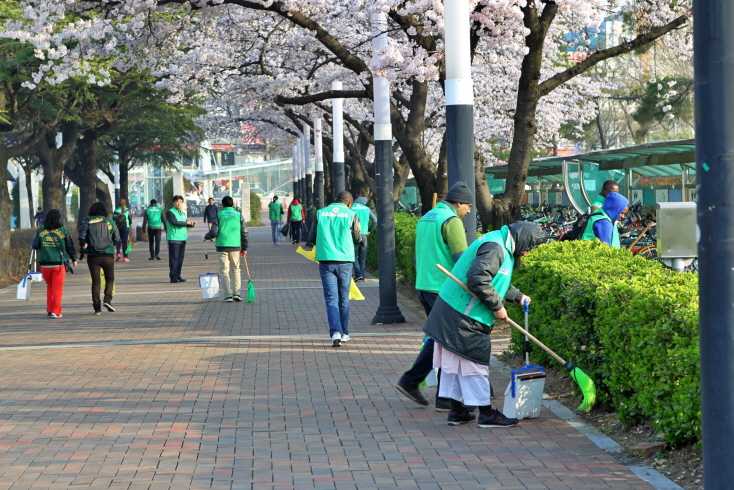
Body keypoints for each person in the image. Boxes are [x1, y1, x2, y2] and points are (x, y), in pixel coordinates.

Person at [423, 221, 544, 428]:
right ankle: (487, 415)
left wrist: (518, 296)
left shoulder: (501, 242)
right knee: (474, 365)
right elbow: (478, 279)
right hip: (461, 315)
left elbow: (496, 279)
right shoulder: (495, 246)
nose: (526, 253)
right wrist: (497, 307)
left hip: (456, 311)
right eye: (529, 247)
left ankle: (457, 410)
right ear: (523, 239)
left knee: (456, 364)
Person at [395, 181, 473, 411]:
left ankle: (444, 396)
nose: (468, 211)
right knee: (444, 340)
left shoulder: (427, 217)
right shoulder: (452, 221)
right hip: (443, 289)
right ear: (458, 203)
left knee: (441, 340)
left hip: (424, 284)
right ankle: (412, 381)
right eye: (467, 206)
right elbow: (462, 258)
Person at [306, 191, 362, 347]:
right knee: (343, 298)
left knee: (331, 299)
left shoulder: (321, 213)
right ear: (349, 203)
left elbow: (311, 237)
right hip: (345, 261)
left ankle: (335, 332)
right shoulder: (351, 214)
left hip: (325, 261)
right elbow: (358, 238)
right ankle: (344, 333)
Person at [31, 209, 77, 319]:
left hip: (45, 263)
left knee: (50, 287)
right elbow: (69, 246)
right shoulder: (64, 230)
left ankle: (50, 309)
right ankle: (56, 311)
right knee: (57, 288)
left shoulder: (40, 231)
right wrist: (74, 259)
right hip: (58, 264)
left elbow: (35, 245)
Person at [204, 196, 249, 302]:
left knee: (224, 270)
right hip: (235, 246)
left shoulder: (219, 215)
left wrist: (206, 237)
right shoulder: (238, 215)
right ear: (233, 205)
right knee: (236, 269)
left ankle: (228, 295)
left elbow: (214, 232)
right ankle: (237, 293)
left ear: (222, 205)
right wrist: (244, 247)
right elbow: (244, 233)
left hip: (222, 246)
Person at [78, 202, 121, 315]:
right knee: (110, 278)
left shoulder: (88, 220)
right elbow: (117, 238)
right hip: (108, 255)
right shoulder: (110, 222)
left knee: (96, 282)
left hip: (93, 256)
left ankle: (97, 307)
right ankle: (107, 300)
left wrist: (84, 244)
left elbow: (81, 235)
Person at [166, 195, 196, 283]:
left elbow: (185, 225)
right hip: (174, 238)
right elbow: (174, 222)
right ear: (173, 203)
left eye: (180, 202)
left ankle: (178, 275)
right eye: (177, 202)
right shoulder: (170, 212)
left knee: (180, 258)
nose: (178, 203)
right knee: (174, 258)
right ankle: (173, 276)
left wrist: (191, 224)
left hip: (182, 238)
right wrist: (186, 223)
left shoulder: (182, 213)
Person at [350, 196, 377, 281]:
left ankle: (357, 274)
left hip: (353, 235)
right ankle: (361, 274)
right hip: (364, 234)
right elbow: (375, 221)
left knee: (353, 256)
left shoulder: (351, 208)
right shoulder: (367, 209)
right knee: (362, 256)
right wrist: (369, 229)